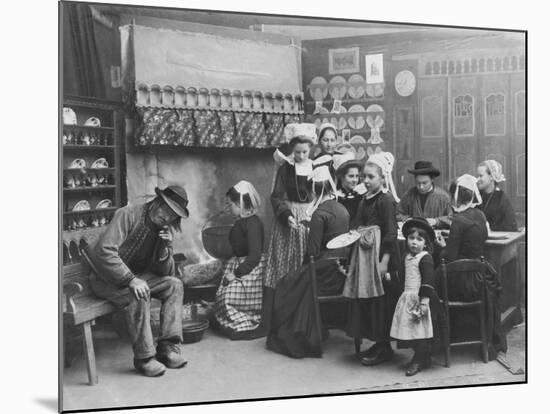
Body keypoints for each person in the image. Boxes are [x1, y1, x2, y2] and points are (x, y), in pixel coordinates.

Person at [84, 185, 189, 377]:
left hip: (136, 279)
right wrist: (131, 280)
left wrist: (166, 248)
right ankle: (145, 358)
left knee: (175, 285)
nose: (167, 217)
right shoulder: (127, 214)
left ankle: (167, 349)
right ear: (157, 201)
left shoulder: (162, 230)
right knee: (140, 291)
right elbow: (104, 251)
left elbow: (164, 272)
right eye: (166, 209)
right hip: (105, 279)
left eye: (173, 215)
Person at [266, 165, 350, 358]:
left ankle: (300, 334)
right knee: (295, 280)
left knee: (286, 284)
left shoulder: (319, 215)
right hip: (341, 270)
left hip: (324, 273)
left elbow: (312, 252)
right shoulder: (343, 209)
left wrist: (301, 269)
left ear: (314, 190)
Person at [435, 174, 507, 359]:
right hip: (480, 277)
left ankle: (438, 341)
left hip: (463, 281)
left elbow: (450, 257)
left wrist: (442, 246)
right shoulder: (481, 215)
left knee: (430, 284)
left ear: (457, 197)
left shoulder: (459, 220)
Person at [346, 151, 402, 366]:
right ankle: (378, 343)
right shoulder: (364, 200)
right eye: (364, 177)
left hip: (381, 259)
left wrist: (384, 262)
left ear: (382, 178)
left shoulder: (385, 201)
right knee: (370, 304)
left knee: (382, 304)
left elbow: (390, 233)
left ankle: (385, 348)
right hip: (365, 257)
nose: (366, 181)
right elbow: (357, 224)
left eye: (371, 177)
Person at [262, 123, 317, 330]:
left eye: (304, 152)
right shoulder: (286, 168)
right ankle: (278, 319)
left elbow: (322, 195)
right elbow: (276, 197)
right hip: (288, 219)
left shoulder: (316, 167)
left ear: (310, 150)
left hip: (309, 217)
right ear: (291, 150)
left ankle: (301, 320)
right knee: (281, 266)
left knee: (303, 267)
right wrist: (286, 215)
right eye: (297, 152)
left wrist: (312, 214)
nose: (301, 156)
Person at [390, 217, 443, 376]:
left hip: (421, 299)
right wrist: (390, 276)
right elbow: (402, 274)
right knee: (410, 329)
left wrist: (424, 302)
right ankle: (420, 356)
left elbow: (428, 279)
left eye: (419, 239)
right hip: (407, 297)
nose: (414, 242)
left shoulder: (425, 258)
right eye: (411, 238)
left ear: (425, 243)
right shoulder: (406, 256)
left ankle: (420, 358)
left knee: (420, 330)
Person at [214, 181, 266, 340]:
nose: (228, 207)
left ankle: (246, 325)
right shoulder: (240, 221)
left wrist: (236, 273)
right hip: (240, 263)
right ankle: (232, 324)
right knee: (221, 294)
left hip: (252, 268)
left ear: (240, 203)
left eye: (230, 204)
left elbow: (254, 256)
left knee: (228, 296)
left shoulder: (253, 224)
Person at [396, 161, 452, 228]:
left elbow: (452, 218)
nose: (421, 187)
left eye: (424, 183)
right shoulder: (409, 195)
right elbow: (397, 214)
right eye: (418, 183)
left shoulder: (443, 197)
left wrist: (436, 221)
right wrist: (407, 219)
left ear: (432, 179)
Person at [477, 160, 518, 231]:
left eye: (481, 176)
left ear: (491, 177)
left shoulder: (502, 198)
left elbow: (511, 227)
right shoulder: (477, 195)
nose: (478, 179)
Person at [333, 151, 365, 219]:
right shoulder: (335, 199)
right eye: (351, 176)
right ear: (341, 176)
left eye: (357, 176)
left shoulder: (361, 197)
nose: (355, 180)